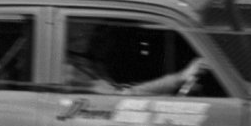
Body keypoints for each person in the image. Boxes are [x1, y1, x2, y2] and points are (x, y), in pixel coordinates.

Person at [64, 22, 203, 95]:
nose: (102, 39)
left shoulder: (89, 63)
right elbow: (125, 96)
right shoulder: (71, 72)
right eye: (95, 33)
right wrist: (181, 77)